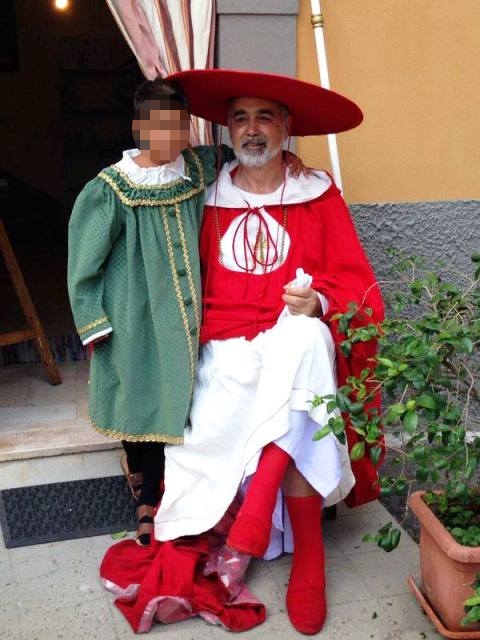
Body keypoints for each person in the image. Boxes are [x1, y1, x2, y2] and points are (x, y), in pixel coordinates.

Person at [100, 69, 384, 636]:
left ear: (286, 126)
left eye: (265, 117)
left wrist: (321, 301)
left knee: (305, 340)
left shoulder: (316, 192)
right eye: (240, 118)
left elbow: (359, 286)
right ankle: (280, 533)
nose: (252, 130)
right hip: (224, 346)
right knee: (296, 392)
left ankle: (303, 557)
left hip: (290, 345)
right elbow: (153, 241)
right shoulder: (204, 192)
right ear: (227, 130)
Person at [68, 77, 304, 547]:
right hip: (135, 314)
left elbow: (247, 157)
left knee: (181, 402)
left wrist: (288, 159)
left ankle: (166, 491)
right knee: (138, 394)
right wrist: (94, 320)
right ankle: (142, 482)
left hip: (188, 313)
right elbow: (83, 264)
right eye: (156, 127)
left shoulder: (198, 166)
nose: (167, 137)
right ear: (138, 128)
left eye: (176, 126)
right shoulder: (111, 189)